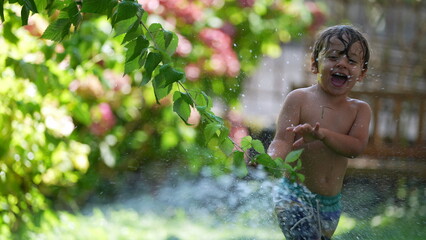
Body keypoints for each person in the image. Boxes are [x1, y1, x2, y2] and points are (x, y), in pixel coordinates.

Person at [267, 25, 372, 240]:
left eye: (351, 61)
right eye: (333, 57)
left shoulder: (360, 110)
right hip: (294, 196)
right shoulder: (299, 99)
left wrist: (323, 135)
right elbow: (282, 141)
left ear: (362, 73)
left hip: (330, 204)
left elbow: (355, 148)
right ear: (315, 64)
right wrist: (269, 160)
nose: (342, 63)